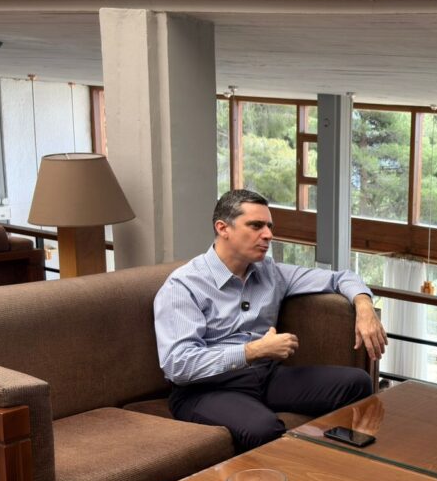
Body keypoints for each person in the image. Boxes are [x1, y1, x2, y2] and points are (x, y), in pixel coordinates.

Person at [154, 189, 387, 451]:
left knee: (357, 383)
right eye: (256, 226)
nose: (268, 234)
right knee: (264, 429)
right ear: (223, 228)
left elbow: (340, 278)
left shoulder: (270, 272)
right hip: (205, 389)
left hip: (265, 376)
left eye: (269, 226)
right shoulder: (183, 286)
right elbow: (178, 365)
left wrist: (364, 306)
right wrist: (253, 350)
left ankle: (342, 462)